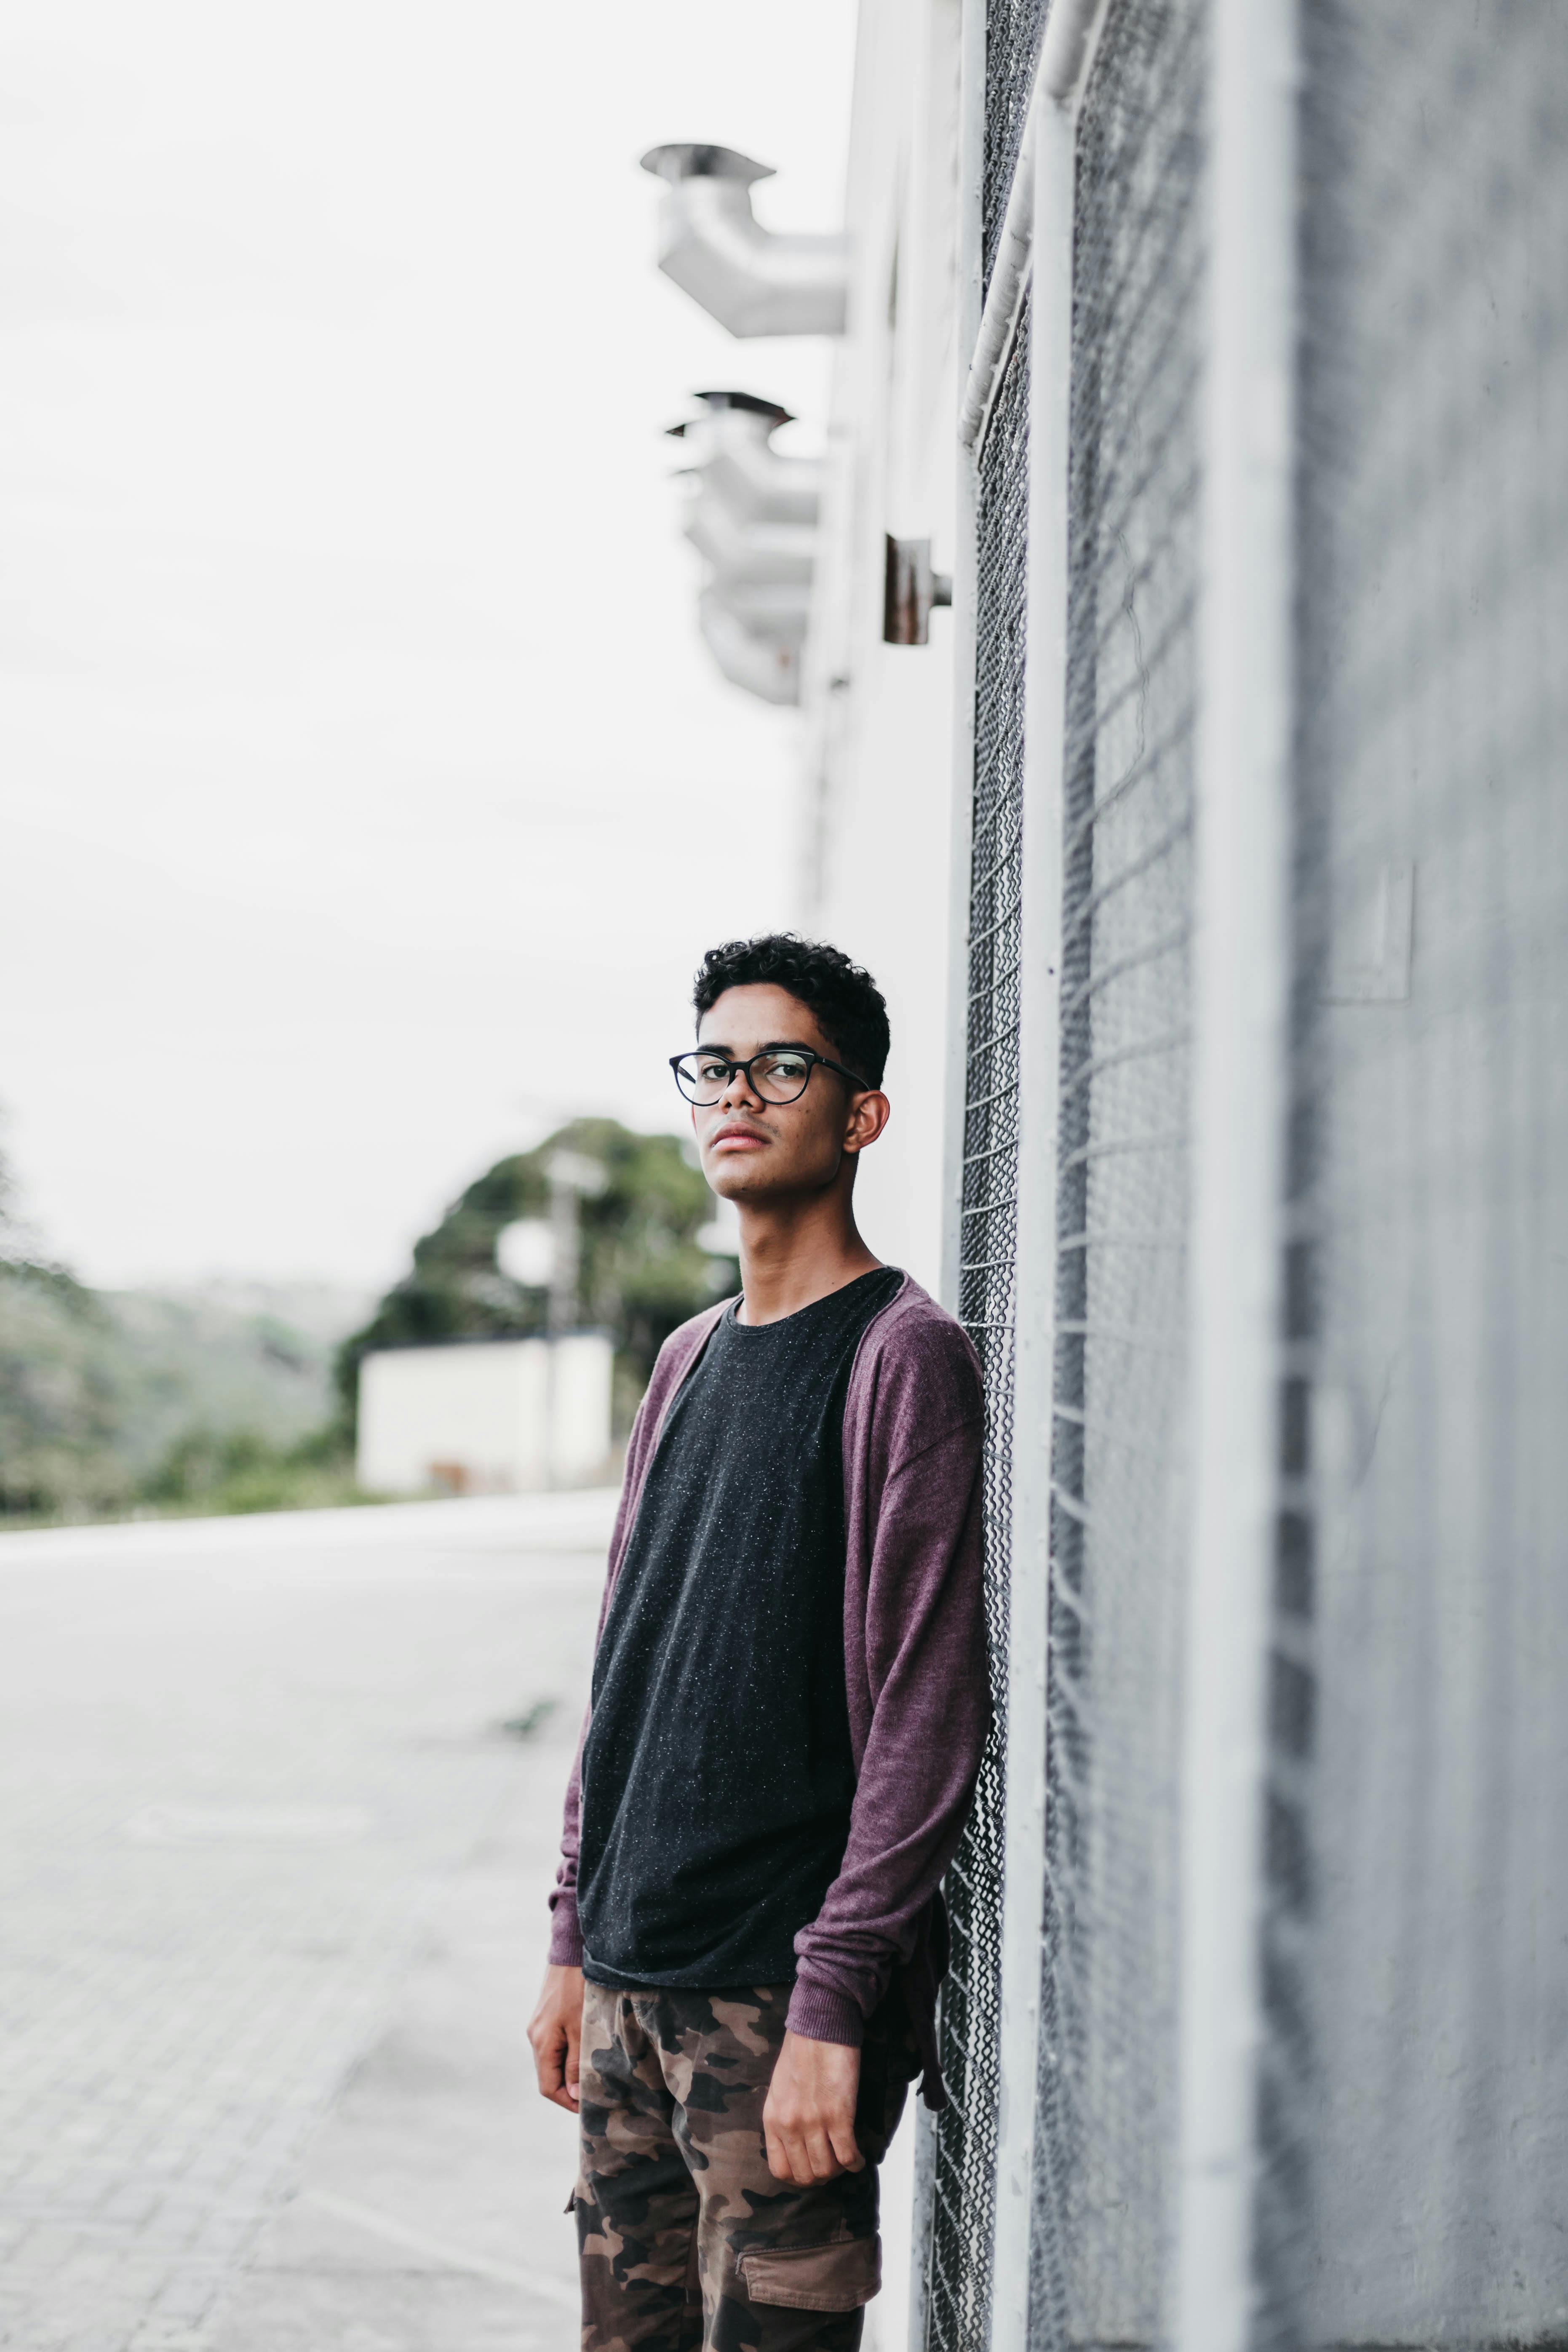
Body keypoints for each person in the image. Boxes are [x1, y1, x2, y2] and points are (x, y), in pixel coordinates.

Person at [528, 934, 989, 2352]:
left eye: (781, 1064)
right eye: (714, 1064)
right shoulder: (686, 1354)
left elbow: (926, 1706)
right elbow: (629, 1657)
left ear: (858, 1112)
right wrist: (568, 1934)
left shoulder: (898, 1353)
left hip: (774, 1996)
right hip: (626, 1976)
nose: (739, 1090)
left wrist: (836, 2002)